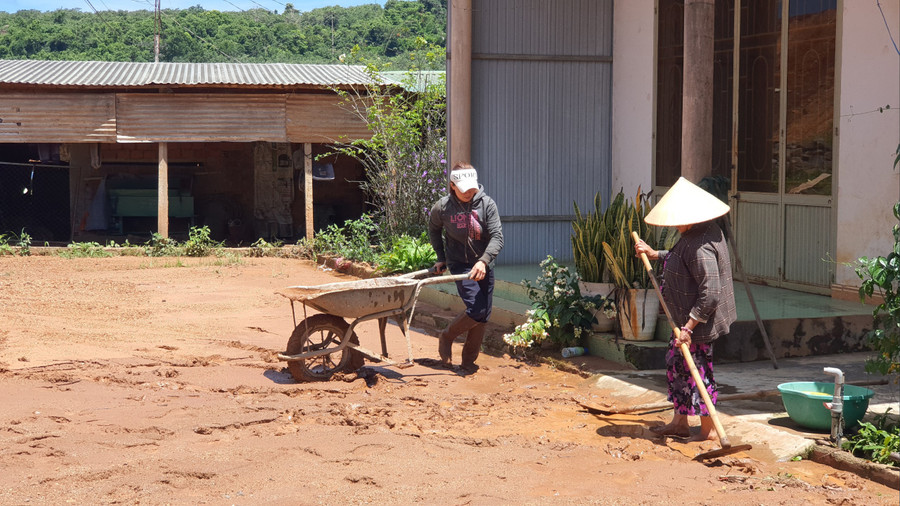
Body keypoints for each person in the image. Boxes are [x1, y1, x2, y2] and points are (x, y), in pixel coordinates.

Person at [633, 177, 737, 441]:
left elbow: (710, 293)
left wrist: (689, 327)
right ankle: (679, 422)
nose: (674, 223)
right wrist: (656, 253)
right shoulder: (696, 234)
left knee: (698, 373)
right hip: (683, 320)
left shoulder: (701, 243)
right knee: (678, 367)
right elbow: (681, 259)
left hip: (697, 325)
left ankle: (708, 430)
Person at [428, 163, 504, 373]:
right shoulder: (443, 207)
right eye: (464, 189)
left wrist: (484, 260)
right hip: (460, 264)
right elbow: (434, 229)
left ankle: (468, 362)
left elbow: (498, 237)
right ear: (452, 185)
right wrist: (441, 257)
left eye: (472, 188)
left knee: (483, 316)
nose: (470, 192)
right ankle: (447, 336)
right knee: (476, 310)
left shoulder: (487, 204)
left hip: (484, 263)